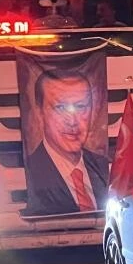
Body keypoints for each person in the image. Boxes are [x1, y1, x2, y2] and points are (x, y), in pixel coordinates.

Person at [25, 69, 108, 215]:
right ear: (39, 113)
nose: (72, 121)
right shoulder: (29, 171)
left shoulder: (103, 166)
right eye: (61, 107)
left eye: (80, 106)